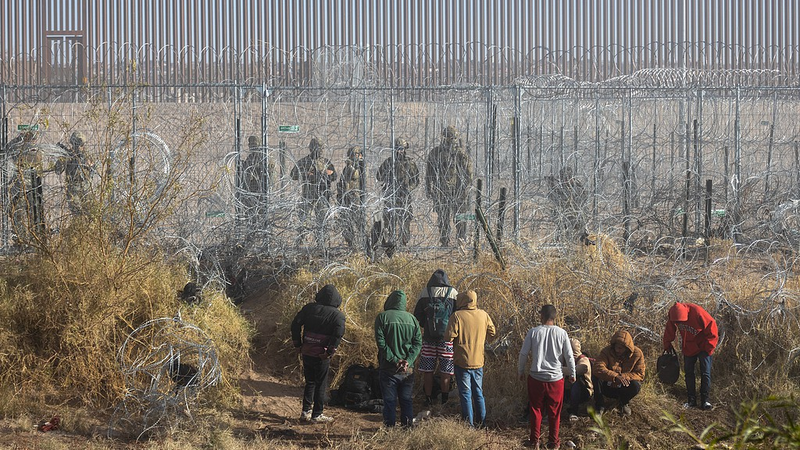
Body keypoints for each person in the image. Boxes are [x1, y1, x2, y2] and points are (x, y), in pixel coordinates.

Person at [517, 304, 575, 450]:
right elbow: (569, 355)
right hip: (555, 379)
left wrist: (521, 370)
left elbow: (523, 353)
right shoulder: (561, 333)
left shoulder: (534, 332)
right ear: (554, 317)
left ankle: (534, 441)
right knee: (555, 412)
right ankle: (553, 443)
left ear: (541, 316)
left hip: (536, 377)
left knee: (535, 409)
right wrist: (572, 373)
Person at [290, 284, 346, 423]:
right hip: (322, 354)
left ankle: (306, 411)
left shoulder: (309, 308)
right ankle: (317, 414)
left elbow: (295, 325)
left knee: (310, 382)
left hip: (307, 351)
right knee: (321, 383)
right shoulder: (338, 315)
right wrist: (330, 352)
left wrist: (297, 344)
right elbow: (338, 335)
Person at [444, 289, 496, 427]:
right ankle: (482, 423)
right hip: (478, 361)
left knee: (466, 394)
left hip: (462, 361)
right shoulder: (483, 315)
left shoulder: (457, 316)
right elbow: (492, 332)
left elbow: (448, 337)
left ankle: (469, 425)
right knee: (478, 393)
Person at [374, 289, 423, 428]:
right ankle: (407, 427)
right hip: (408, 369)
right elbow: (418, 343)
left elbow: (381, 343)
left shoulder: (382, 317)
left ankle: (389, 428)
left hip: (389, 368)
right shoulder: (412, 319)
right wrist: (409, 360)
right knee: (406, 400)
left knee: (389, 401)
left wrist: (395, 360)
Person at [413, 269, 458, 407]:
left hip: (428, 339)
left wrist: (426, 326)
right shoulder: (453, 293)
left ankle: (428, 398)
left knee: (428, 370)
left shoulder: (425, 292)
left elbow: (417, 315)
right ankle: (444, 399)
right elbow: (457, 316)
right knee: (446, 370)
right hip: (447, 340)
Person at [662, 302, 719, 410]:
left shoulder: (697, 312)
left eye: (680, 322)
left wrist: (709, 347)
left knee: (705, 372)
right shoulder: (673, 314)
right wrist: (667, 343)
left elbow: (712, 328)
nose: (678, 324)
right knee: (688, 372)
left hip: (704, 346)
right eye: (677, 322)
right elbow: (670, 329)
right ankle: (691, 400)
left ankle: (705, 400)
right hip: (688, 345)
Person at [425, 125, 473, 247]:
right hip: (441, 191)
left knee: (461, 217)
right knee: (443, 218)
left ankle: (461, 240)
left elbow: (469, 174)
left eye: (452, 138)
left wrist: (465, 190)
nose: (450, 140)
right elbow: (429, 173)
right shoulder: (435, 153)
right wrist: (429, 189)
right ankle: (444, 240)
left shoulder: (461, 155)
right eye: (448, 137)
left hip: (458, 192)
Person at [290, 137, 337, 245]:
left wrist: (326, 173)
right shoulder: (304, 162)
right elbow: (293, 175)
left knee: (322, 222)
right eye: (318, 148)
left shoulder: (326, 162)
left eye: (321, 148)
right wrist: (305, 173)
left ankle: (321, 245)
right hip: (308, 195)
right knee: (304, 222)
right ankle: (299, 243)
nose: (320, 150)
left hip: (322, 195)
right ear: (312, 148)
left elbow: (334, 176)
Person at [376, 138, 420, 252]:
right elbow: (378, 176)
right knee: (389, 220)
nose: (399, 151)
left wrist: (408, 188)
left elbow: (416, 180)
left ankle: (403, 243)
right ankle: (390, 243)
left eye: (401, 149)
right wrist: (388, 179)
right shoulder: (388, 162)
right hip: (390, 196)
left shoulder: (410, 163)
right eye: (397, 149)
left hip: (404, 196)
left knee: (405, 220)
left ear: (405, 150)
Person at [593, 329, 645, 416]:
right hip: (607, 385)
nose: (617, 350)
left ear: (627, 348)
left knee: (636, 385)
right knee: (596, 377)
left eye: (620, 348)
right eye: (616, 347)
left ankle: (623, 403)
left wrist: (623, 377)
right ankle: (599, 406)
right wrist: (614, 376)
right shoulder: (606, 351)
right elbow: (598, 367)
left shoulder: (637, 354)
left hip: (624, 386)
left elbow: (640, 374)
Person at [6, 130, 44, 243]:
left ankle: (21, 240)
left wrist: (19, 139)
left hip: (21, 186)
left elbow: (8, 148)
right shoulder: (38, 151)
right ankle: (33, 240)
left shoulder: (19, 150)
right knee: (32, 213)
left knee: (18, 213)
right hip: (33, 186)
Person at [55, 131, 93, 215]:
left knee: (90, 212)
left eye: (81, 144)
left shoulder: (87, 156)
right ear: (72, 143)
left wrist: (88, 163)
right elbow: (58, 171)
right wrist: (63, 158)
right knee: (77, 213)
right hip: (73, 187)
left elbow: (94, 169)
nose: (79, 147)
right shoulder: (67, 155)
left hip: (86, 186)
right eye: (76, 144)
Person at [546, 167, 588, 242]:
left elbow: (567, 199)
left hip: (577, 216)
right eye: (562, 178)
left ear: (570, 177)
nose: (563, 180)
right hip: (565, 217)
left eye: (565, 178)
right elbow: (552, 198)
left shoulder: (577, 187)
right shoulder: (562, 187)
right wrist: (551, 186)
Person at [336, 146, 364, 249]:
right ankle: (353, 244)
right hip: (350, 197)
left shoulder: (357, 166)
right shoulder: (351, 167)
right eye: (358, 154)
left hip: (354, 197)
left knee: (357, 220)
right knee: (348, 221)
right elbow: (346, 183)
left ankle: (361, 242)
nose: (360, 156)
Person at [242, 135, 275, 218]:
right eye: (250, 145)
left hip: (260, 192)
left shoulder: (264, 157)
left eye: (254, 145)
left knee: (259, 216)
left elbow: (269, 176)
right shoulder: (251, 157)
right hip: (253, 192)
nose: (252, 147)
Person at [562, 338, 593, 421]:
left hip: (583, 392)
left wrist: (559, 369)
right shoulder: (564, 360)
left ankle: (573, 412)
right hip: (567, 391)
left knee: (576, 381)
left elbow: (581, 369)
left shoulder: (583, 360)